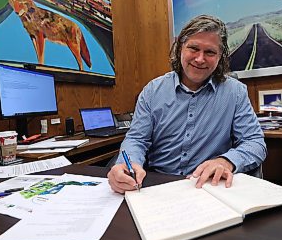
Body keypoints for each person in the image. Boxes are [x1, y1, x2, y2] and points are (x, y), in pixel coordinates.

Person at [108, 15, 267, 193]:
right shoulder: (152, 91)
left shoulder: (235, 93)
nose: (200, 59)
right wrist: (126, 165)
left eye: (210, 52)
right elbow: (137, 139)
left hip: (207, 187)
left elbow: (254, 143)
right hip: (156, 186)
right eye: (193, 48)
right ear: (180, 48)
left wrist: (226, 161)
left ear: (220, 56)